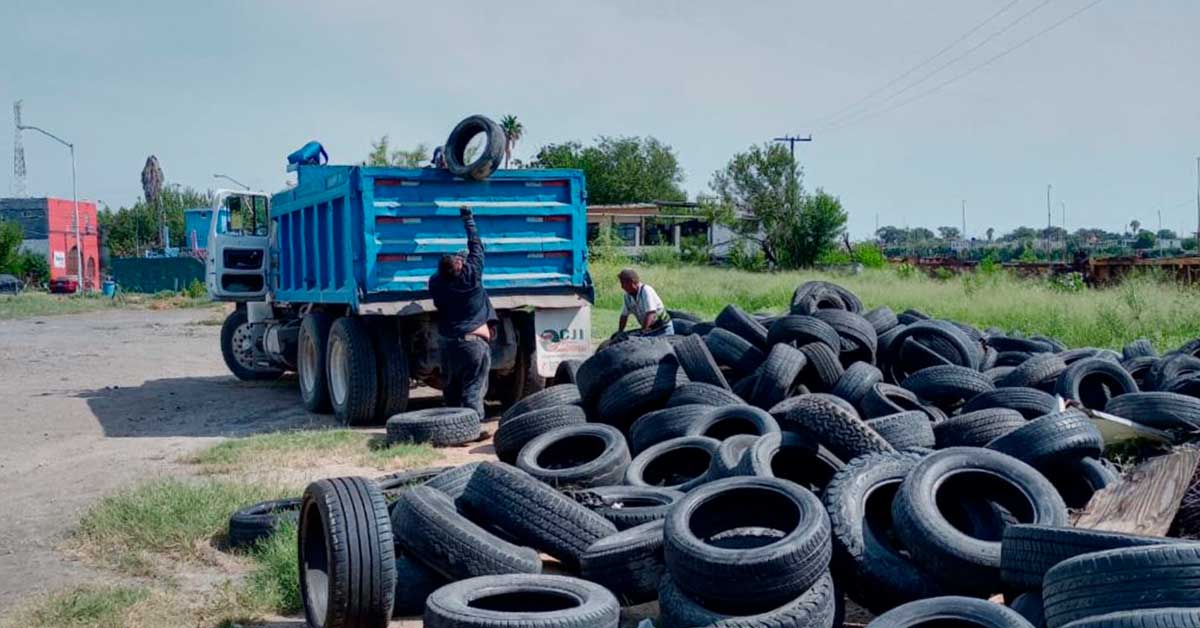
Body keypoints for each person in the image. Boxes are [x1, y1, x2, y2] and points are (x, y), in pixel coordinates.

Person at [428, 205, 496, 418]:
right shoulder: (472, 277)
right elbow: (476, 246)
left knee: (451, 392)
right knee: (473, 391)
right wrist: (468, 219)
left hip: (448, 344)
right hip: (473, 345)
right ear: (461, 269)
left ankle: (451, 427)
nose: (461, 260)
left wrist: (453, 264)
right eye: (459, 261)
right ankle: (473, 427)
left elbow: (442, 275)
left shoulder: (436, 283)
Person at [617, 268, 673, 336]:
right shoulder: (627, 296)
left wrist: (642, 332)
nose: (622, 287)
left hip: (662, 329)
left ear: (631, 282)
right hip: (649, 329)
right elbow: (624, 315)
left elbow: (650, 313)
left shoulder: (646, 290)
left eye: (623, 283)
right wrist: (620, 331)